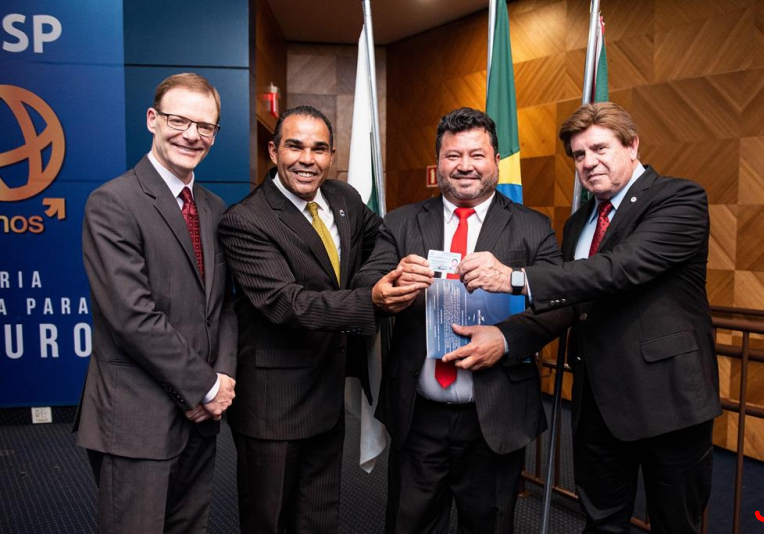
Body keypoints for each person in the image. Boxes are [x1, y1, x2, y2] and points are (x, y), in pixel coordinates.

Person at [458, 102, 722, 533]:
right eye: (579, 154)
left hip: (669, 401)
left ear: (632, 146)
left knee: (676, 524)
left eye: (600, 148)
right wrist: (505, 337)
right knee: (601, 522)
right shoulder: (581, 222)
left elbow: (620, 268)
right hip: (598, 403)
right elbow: (570, 302)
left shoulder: (678, 198)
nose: (588, 162)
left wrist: (515, 278)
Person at [353, 107, 565, 533]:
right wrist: (387, 287)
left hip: (495, 412)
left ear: (496, 160)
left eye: (476, 155)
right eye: (453, 156)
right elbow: (365, 281)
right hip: (418, 413)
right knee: (408, 525)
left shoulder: (532, 226)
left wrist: (505, 340)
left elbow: (559, 302)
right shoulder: (402, 222)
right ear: (438, 163)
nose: (465, 165)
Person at [219, 106, 412, 533]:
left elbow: (381, 240)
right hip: (273, 405)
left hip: (327, 392)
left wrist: (366, 280)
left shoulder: (344, 198)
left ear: (332, 155)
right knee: (270, 521)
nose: (307, 159)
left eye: (319, 149)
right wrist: (369, 300)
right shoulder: (245, 220)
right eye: (295, 146)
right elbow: (287, 303)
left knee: (320, 517)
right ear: (274, 151)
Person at [75, 72, 237, 533]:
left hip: (202, 417)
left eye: (205, 126)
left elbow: (224, 306)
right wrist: (205, 387)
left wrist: (223, 378)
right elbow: (132, 316)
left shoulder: (214, 208)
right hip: (137, 418)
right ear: (152, 119)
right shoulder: (113, 202)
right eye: (178, 120)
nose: (191, 135)